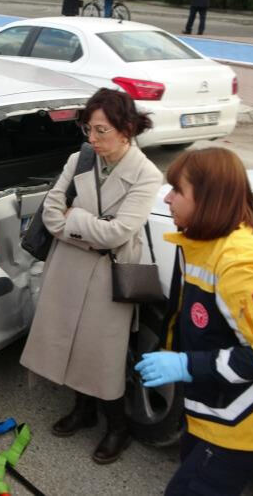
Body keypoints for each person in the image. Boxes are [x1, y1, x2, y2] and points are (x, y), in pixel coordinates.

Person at [136, 147, 253, 496]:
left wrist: (186, 363)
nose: (167, 198)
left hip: (242, 421)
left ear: (207, 199)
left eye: (178, 190)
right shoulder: (204, 244)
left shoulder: (242, 263)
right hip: (212, 409)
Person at [20, 88, 162, 464]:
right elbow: (51, 213)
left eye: (102, 130)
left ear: (126, 129)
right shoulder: (80, 159)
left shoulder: (147, 175)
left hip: (109, 274)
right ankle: (83, 411)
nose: (93, 139)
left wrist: (75, 222)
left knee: (104, 354)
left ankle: (118, 427)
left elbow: (120, 232)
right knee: (69, 340)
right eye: (89, 129)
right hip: (68, 267)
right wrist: (88, 227)